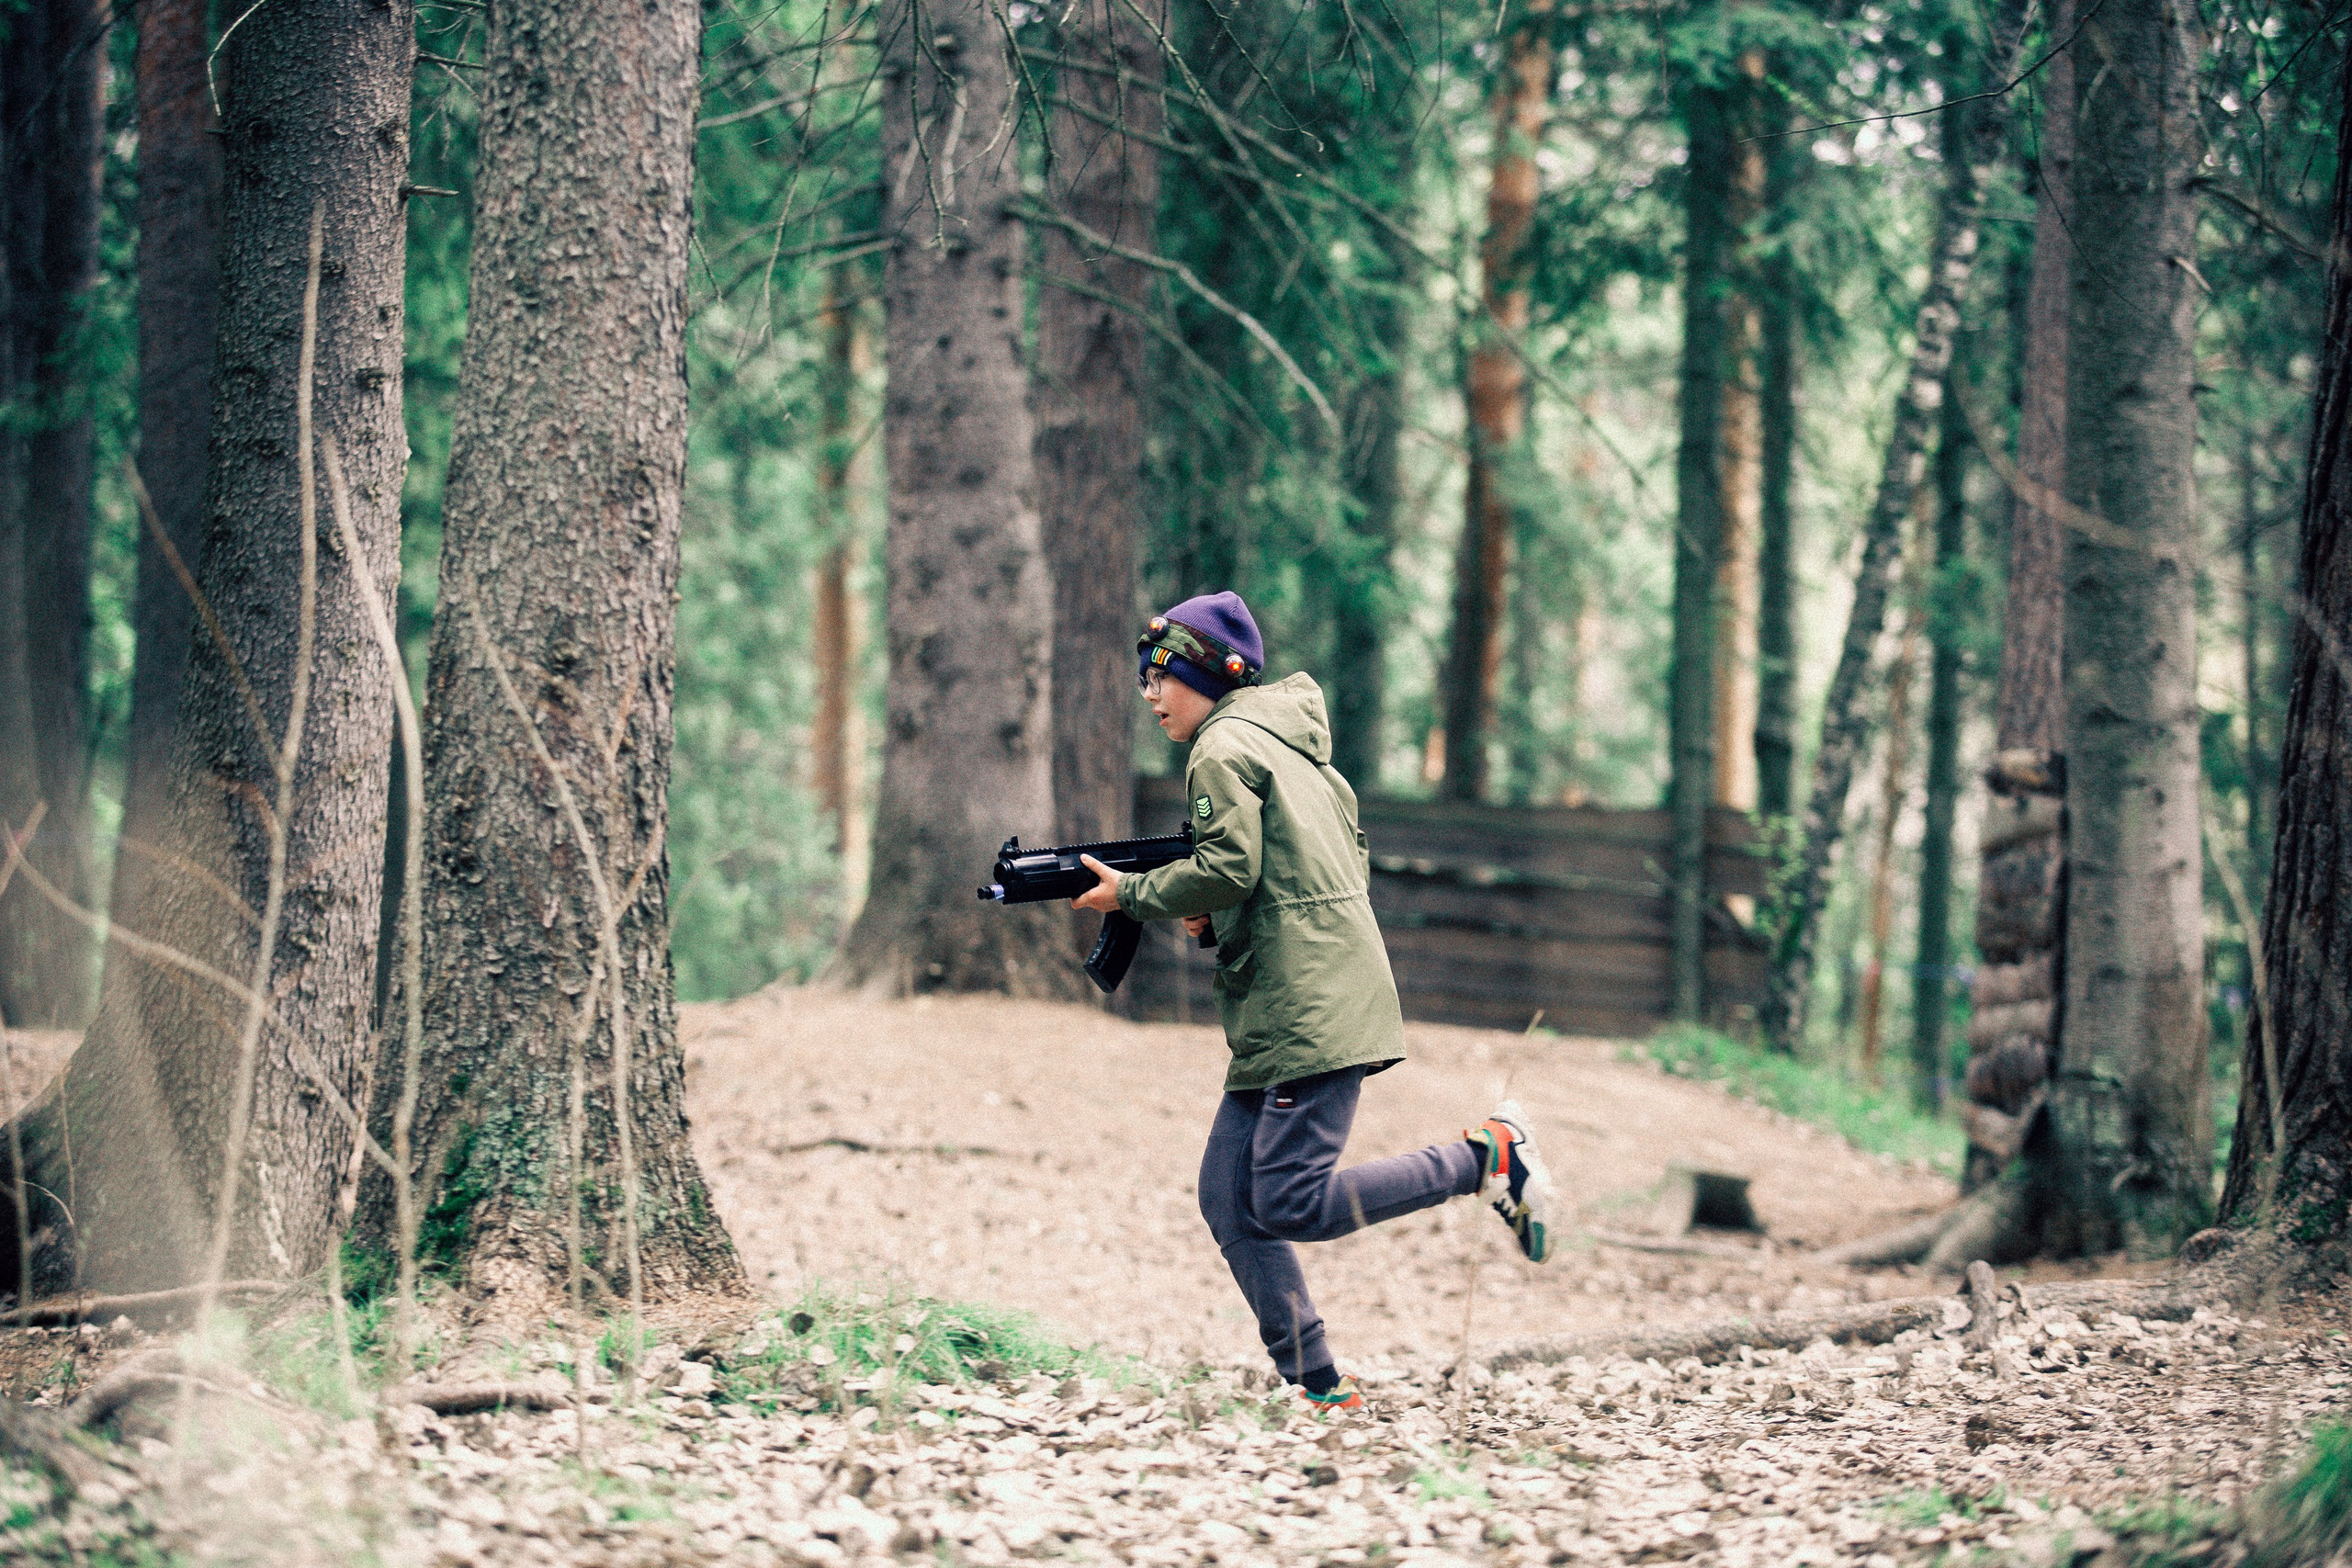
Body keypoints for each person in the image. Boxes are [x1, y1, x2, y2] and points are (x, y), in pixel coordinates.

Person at [1071, 591, 1556, 1413]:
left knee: (1290, 1199)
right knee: (1230, 1196)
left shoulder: (1221, 748)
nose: (1149, 696)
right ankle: (1319, 1383)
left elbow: (1229, 867)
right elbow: (1286, 877)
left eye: (1161, 676)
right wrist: (1211, 917)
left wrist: (1135, 894)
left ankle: (1488, 1158)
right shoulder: (1289, 748)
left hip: (1309, 1008)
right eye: (1143, 680)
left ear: (1202, 675)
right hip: (1293, 1000)